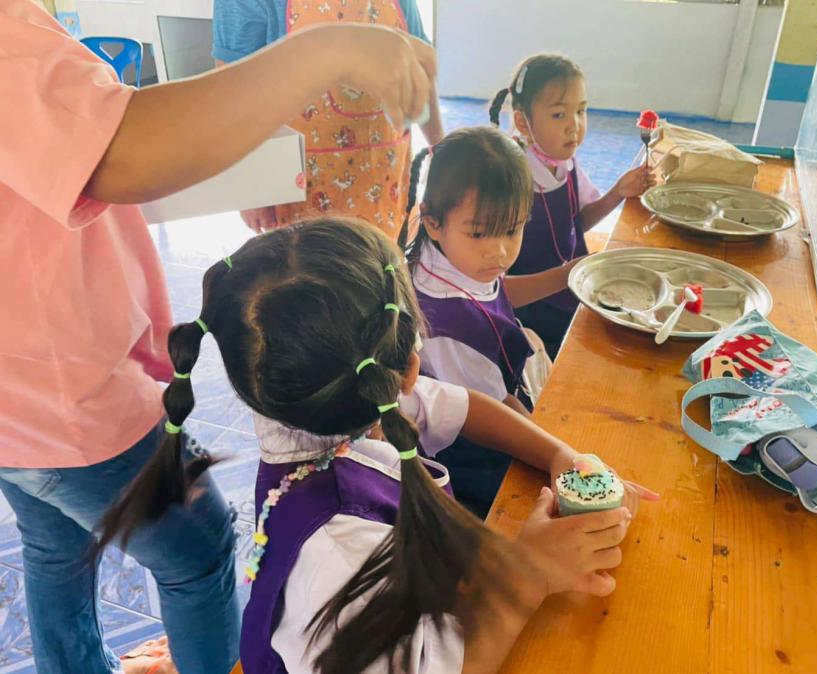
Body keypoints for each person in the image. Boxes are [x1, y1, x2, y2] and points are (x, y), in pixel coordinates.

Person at [0, 2, 435, 671]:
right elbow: (114, 149)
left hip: (18, 399)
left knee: (54, 541)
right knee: (196, 549)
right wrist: (327, 50)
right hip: (63, 398)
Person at [98, 218, 652, 674]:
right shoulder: (339, 556)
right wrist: (528, 575)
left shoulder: (323, 402)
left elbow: (464, 407)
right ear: (409, 365)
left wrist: (559, 455)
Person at [399, 126, 584, 515]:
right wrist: (558, 446)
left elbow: (494, 294)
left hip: (500, 398)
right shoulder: (445, 327)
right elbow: (496, 412)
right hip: (476, 456)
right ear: (432, 221)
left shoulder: (452, 257)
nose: (499, 251)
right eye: (481, 233)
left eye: (513, 230)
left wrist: (565, 275)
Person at [213, 0, 445, 235]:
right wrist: (250, 187)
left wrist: (440, 148)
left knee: (384, 254)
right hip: (300, 192)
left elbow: (419, 69)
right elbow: (234, 86)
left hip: (386, 183)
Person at [490, 54, 656, 358]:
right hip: (530, 320)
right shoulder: (510, 180)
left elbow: (574, 222)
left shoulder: (564, 163)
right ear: (522, 122)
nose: (574, 126)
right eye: (558, 115)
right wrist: (566, 275)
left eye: (581, 111)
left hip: (570, 294)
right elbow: (495, 290)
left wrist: (618, 192)